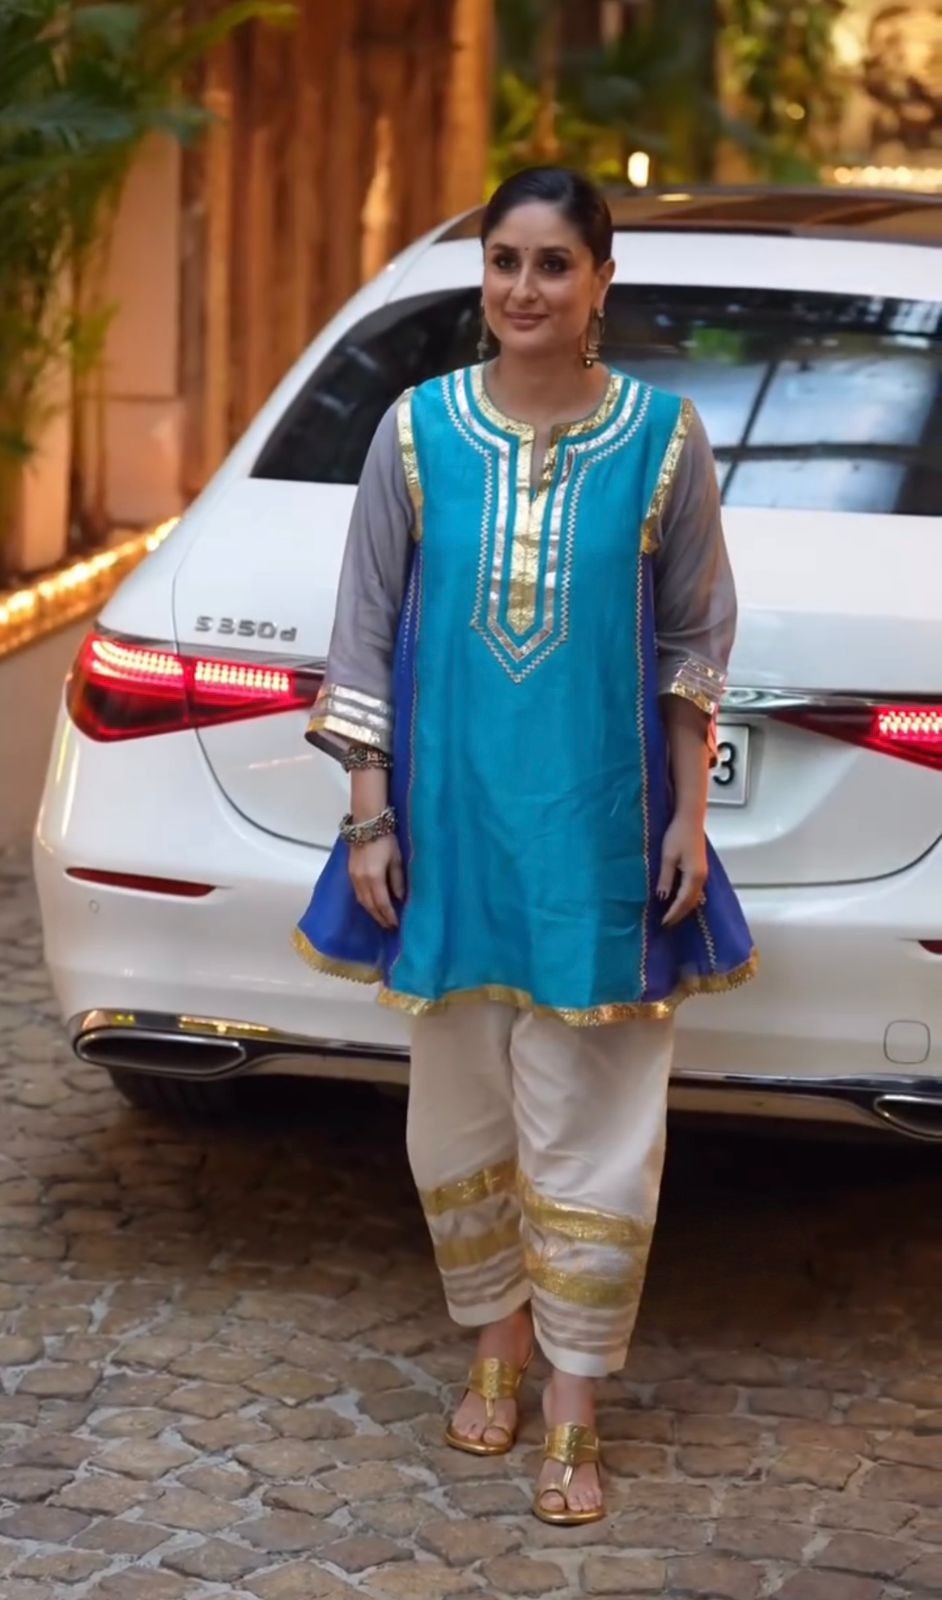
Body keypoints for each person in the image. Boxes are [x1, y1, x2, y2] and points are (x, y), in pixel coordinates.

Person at [295, 166, 755, 1526]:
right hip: (446, 835)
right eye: (504, 260)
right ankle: (493, 1342)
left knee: (599, 1118)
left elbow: (694, 642)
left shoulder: (663, 439)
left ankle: (573, 1404)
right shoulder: (418, 432)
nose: (523, 288)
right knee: (458, 1108)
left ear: (602, 280)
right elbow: (362, 629)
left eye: (554, 263)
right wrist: (369, 813)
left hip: (600, 835)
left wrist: (688, 815)